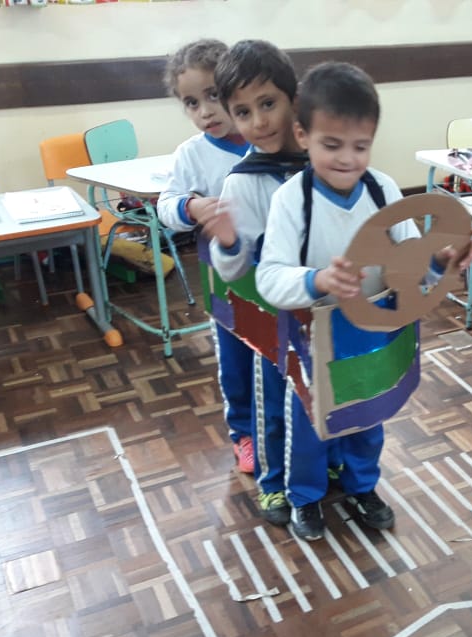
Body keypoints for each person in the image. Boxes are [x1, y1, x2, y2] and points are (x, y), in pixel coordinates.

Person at [256, 61, 472, 541]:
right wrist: (318, 280)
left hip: (373, 327)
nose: (347, 159)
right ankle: (304, 497)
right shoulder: (293, 199)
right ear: (303, 135)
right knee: (311, 420)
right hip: (313, 334)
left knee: (367, 413)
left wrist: (440, 261)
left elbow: (408, 263)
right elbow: (269, 277)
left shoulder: (383, 189)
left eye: (360, 146)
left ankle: (361, 485)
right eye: (332, 144)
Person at [199, 39, 305, 526]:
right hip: (270, 317)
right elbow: (232, 271)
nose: (259, 122)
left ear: (293, 99)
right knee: (273, 404)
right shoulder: (241, 181)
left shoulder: (322, 162)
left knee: (319, 393)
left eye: (268, 104)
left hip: (319, 304)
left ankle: (322, 466)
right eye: (243, 112)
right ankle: (272, 482)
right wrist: (225, 242)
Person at [156, 39, 256, 474]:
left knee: (285, 351)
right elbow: (166, 205)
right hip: (225, 278)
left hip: (278, 269)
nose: (205, 112)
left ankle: (289, 423)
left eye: (214, 95)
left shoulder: (267, 137)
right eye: (191, 103)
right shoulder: (192, 153)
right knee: (235, 358)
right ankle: (244, 433)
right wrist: (191, 207)